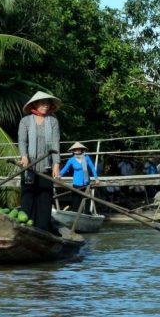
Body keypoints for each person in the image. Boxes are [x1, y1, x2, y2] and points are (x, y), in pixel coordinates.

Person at [18, 91, 62, 233]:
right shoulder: (25, 121)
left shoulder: (53, 122)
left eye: (47, 103)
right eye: (43, 103)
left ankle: (43, 230)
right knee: (28, 197)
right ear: (35, 104)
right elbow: (22, 141)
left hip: (46, 166)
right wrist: (24, 156)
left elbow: (55, 145)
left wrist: (56, 164)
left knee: (45, 198)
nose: (45, 106)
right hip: (29, 167)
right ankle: (26, 228)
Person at [59, 142, 99, 214]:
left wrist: (96, 178)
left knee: (87, 201)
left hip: (86, 182)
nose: (77, 150)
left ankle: (87, 214)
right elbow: (64, 169)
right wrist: (58, 176)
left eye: (79, 149)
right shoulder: (71, 160)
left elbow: (92, 168)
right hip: (76, 183)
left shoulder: (86, 158)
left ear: (81, 149)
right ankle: (75, 215)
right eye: (76, 149)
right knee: (76, 202)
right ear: (73, 150)